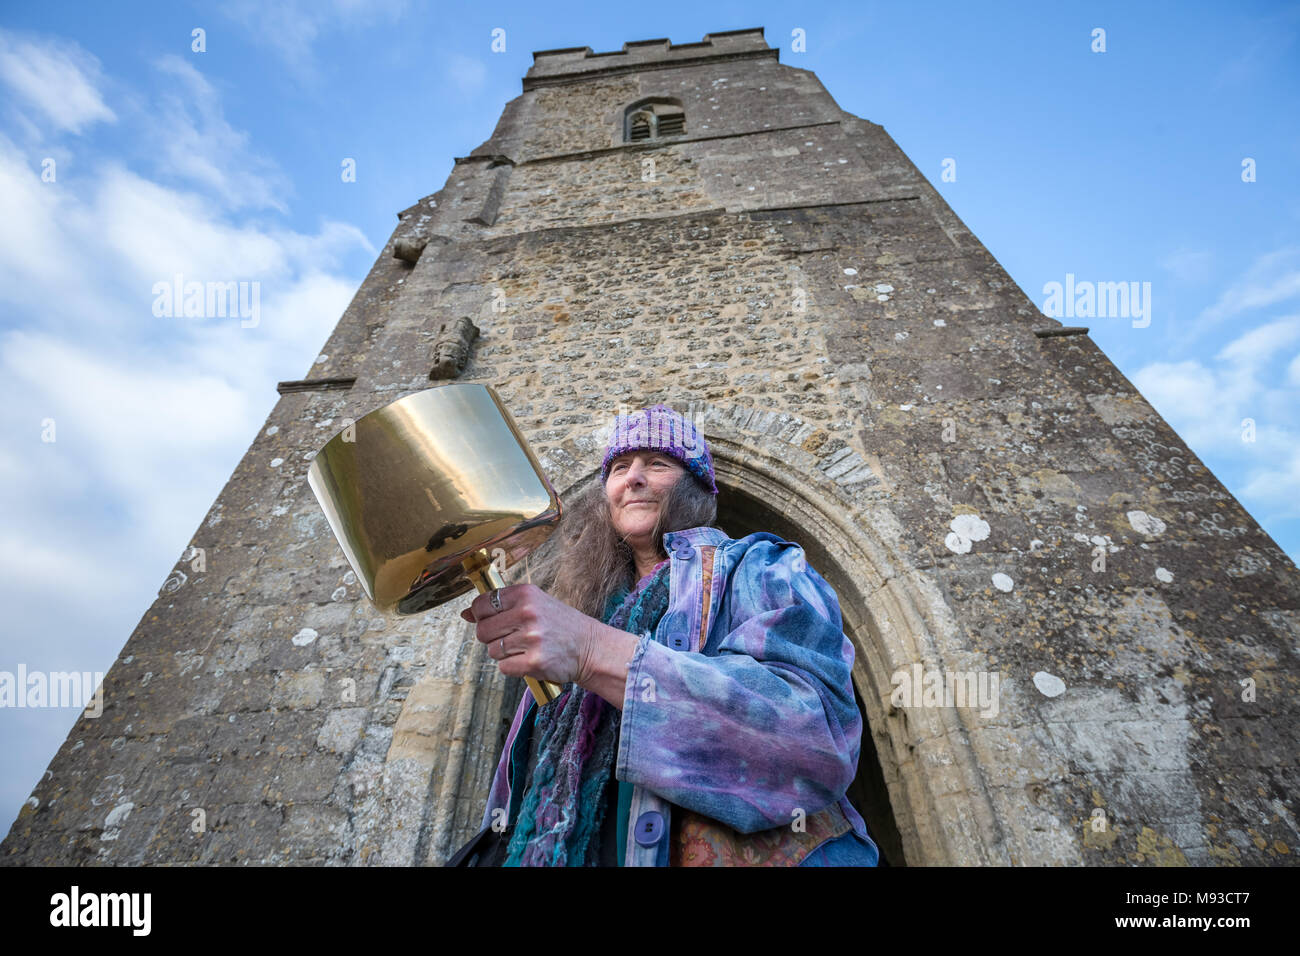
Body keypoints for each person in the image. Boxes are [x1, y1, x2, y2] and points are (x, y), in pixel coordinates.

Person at [447, 403, 879, 866]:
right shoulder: (580, 609)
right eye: (618, 467)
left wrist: (594, 652)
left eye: (657, 464)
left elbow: (814, 739)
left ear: (694, 487)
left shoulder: (763, 569)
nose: (633, 478)